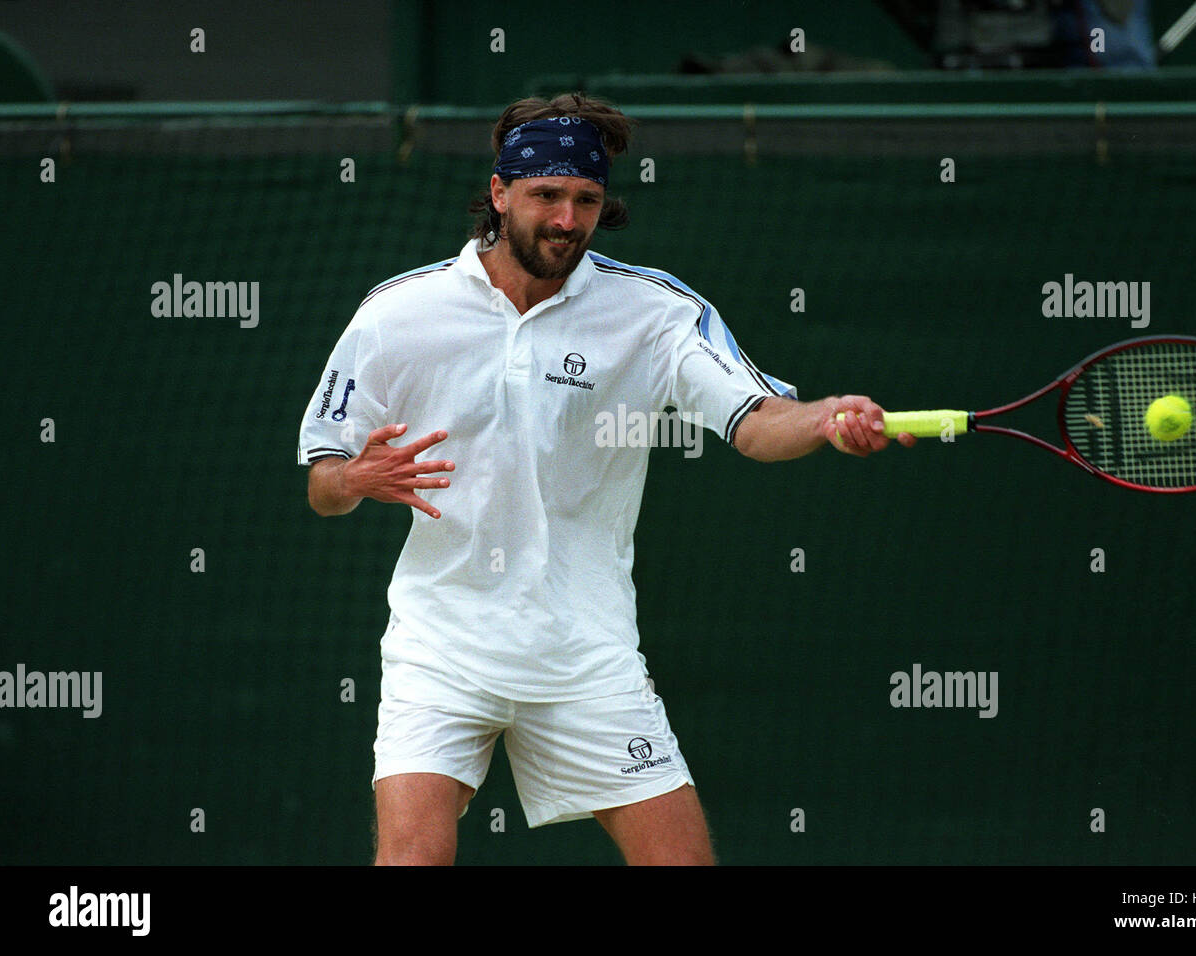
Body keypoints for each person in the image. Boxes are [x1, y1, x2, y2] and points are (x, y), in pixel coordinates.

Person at [297, 92, 914, 866]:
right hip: (440, 647)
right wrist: (356, 478)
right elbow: (323, 481)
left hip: (585, 653)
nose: (567, 220)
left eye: (586, 199)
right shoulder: (396, 314)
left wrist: (824, 417)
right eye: (546, 196)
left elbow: (755, 422)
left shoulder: (654, 314)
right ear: (498, 193)